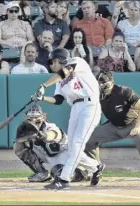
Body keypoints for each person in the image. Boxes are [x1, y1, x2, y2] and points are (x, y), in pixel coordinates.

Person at [31, 48, 105, 190]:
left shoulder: (77, 62)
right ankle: (96, 167)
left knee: (77, 143)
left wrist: (44, 85)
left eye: (53, 62)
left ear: (60, 59)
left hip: (90, 104)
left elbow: (66, 71)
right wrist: (42, 98)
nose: (51, 65)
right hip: (75, 108)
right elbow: (58, 99)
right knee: (71, 147)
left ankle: (64, 179)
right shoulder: (60, 81)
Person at [84, 71, 140, 181]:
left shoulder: (123, 91)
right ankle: (95, 168)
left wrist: (138, 127)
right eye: (98, 83)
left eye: (103, 82)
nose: (101, 85)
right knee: (89, 137)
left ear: (112, 82)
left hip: (132, 123)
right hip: (113, 126)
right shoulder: (95, 94)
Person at [14, 104, 90, 183]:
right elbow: (19, 142)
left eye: (36, 117)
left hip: (63, 154)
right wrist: (20, 138)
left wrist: (43, 135)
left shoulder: (50, 127)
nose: (34, 120)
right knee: (18, 146)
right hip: (46, 154)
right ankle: (41, 173)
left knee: (59, 174)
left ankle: (82, 173)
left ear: (43, 117)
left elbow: (53, 134)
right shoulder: (26, 129)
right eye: (31, 118)